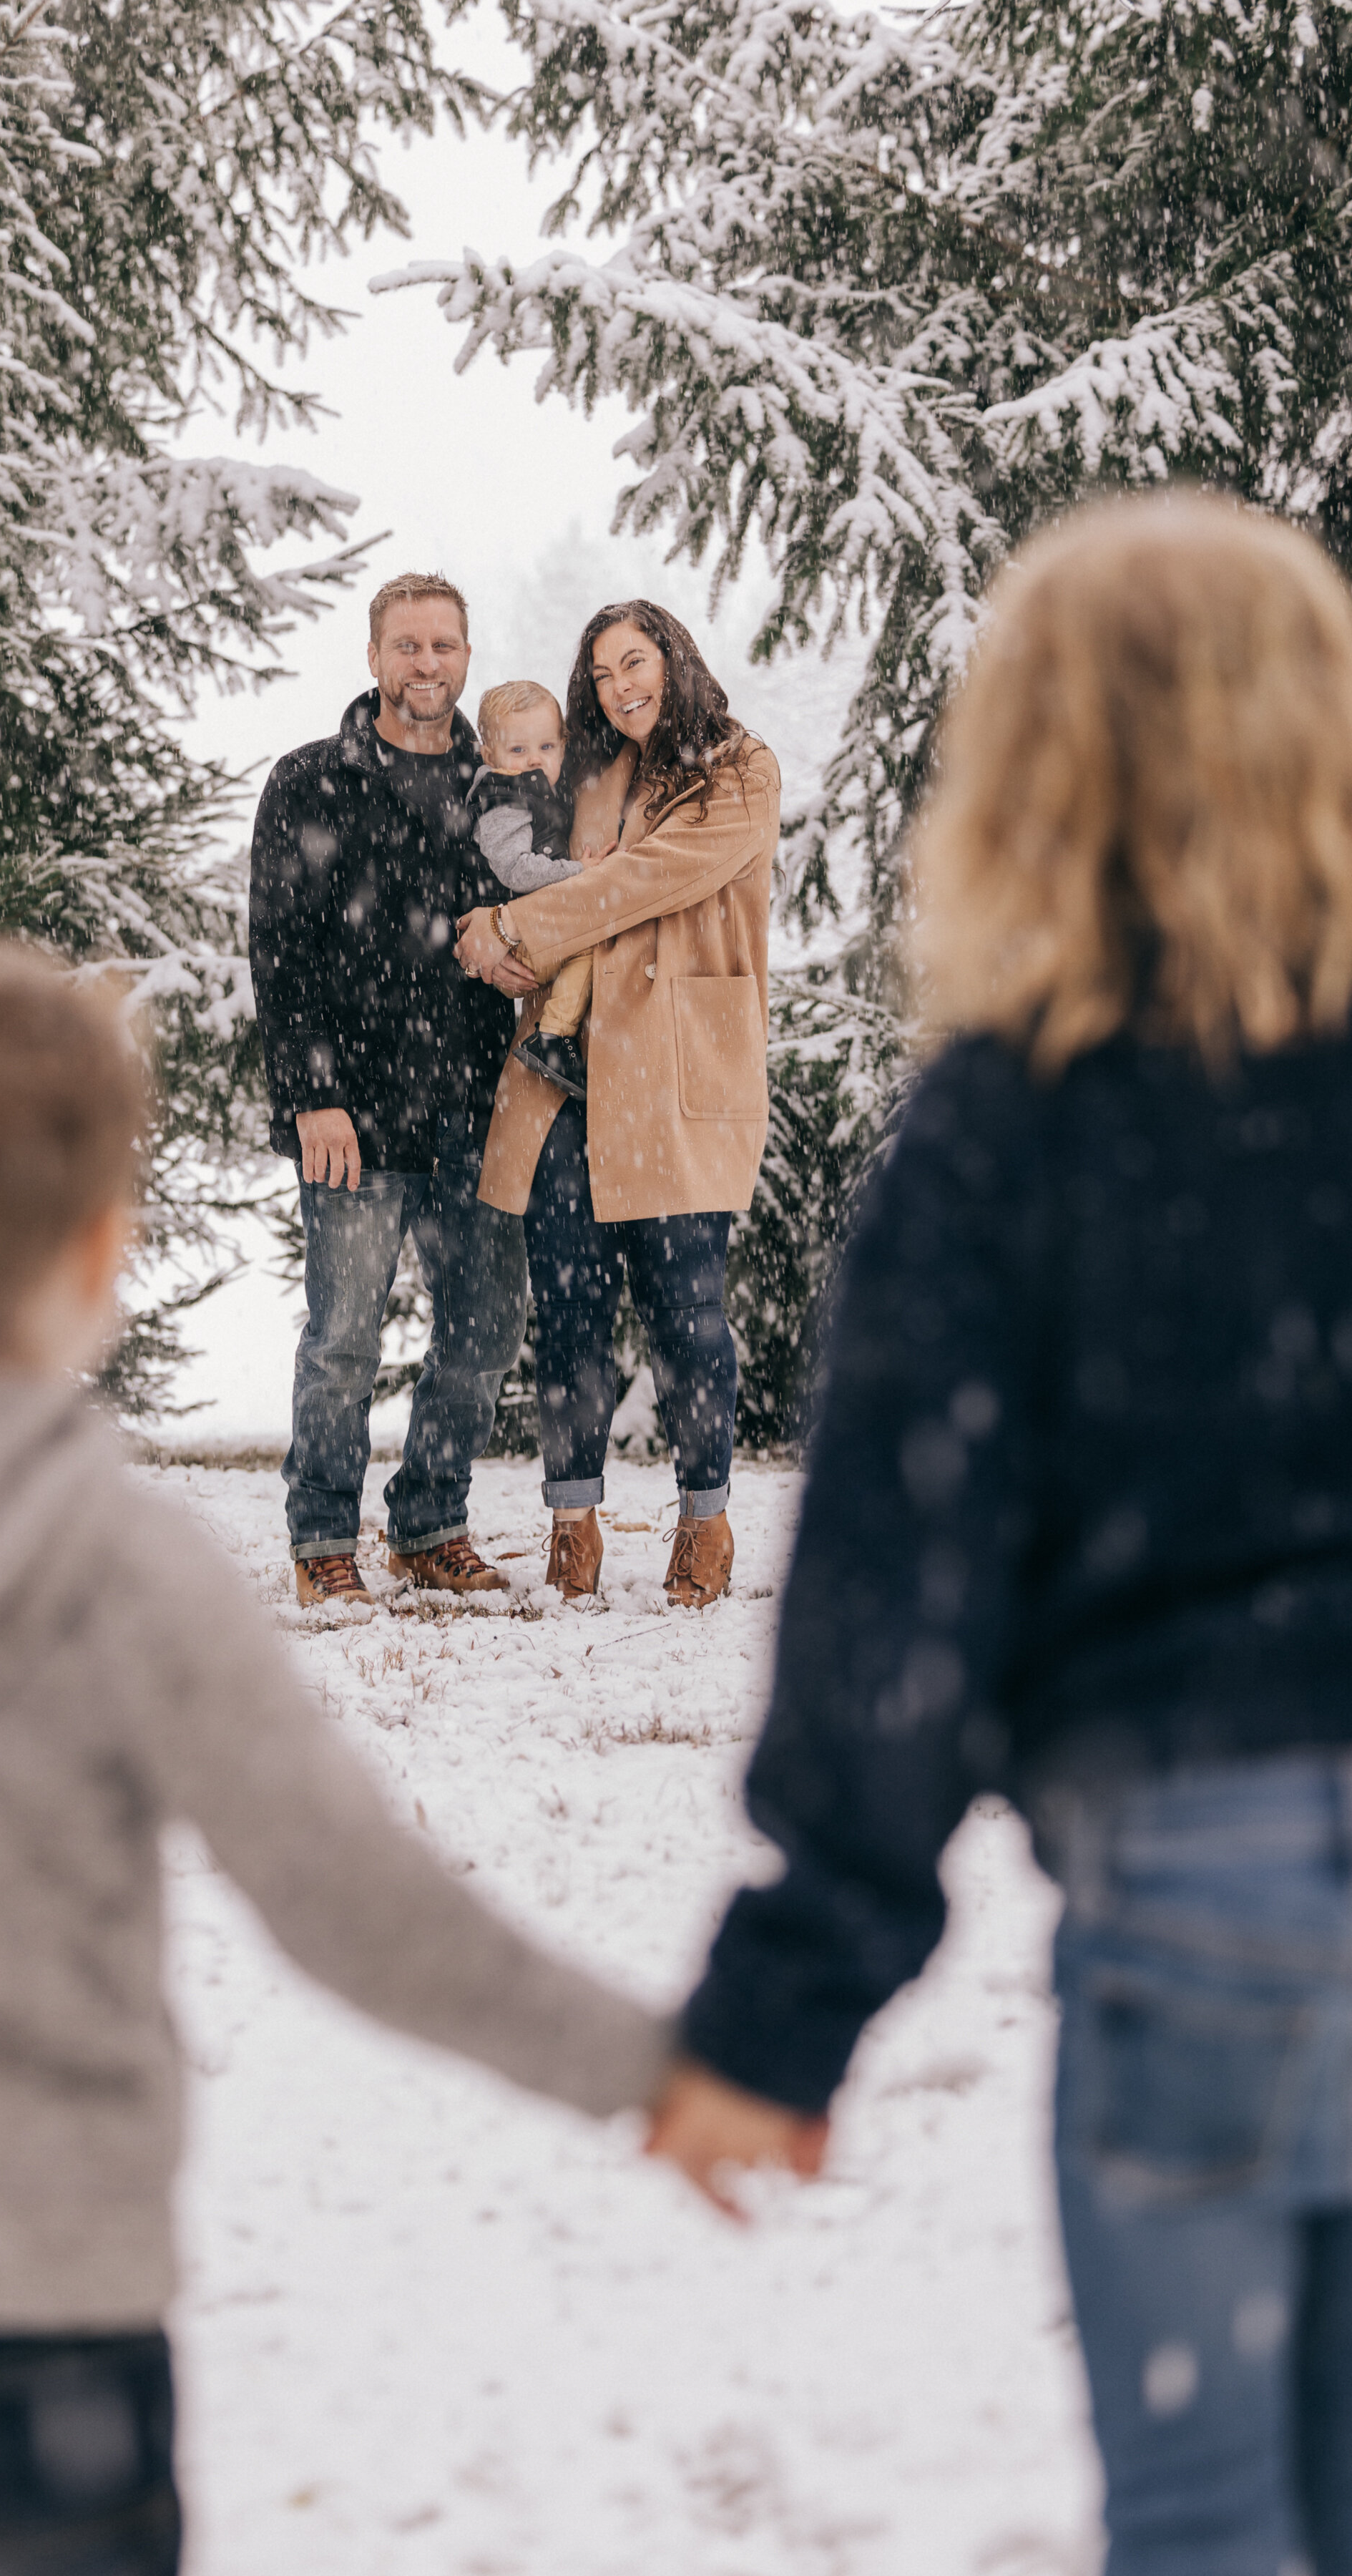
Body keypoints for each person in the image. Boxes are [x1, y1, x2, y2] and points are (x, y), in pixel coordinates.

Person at [0, 932, 690, 2571]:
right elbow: (351, 1900)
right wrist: (648, 2069)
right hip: (44, 2294)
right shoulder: (116, 1563)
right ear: (99, 1254)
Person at [663, 494, 1352, 2575]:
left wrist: (785, 2000)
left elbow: (899, 1582)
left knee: (1215, 2519)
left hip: (1200, 1908)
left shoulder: (1005, 1127)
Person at [455, 603, 780, 1609]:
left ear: (673, 658)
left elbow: (632, 887)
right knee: (571, 1316)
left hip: (677, 1080)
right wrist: (478, 925)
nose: (618, 685)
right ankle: (573, 1523)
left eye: (633, 661)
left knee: (688, 1313)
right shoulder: (588, 780)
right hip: (568, 1084)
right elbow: (517, 857)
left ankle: (705, 1523)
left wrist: (505, 922)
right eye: (599, 673)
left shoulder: (739, 772)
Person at [250, 572, 527, 1609]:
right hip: (356, 1117)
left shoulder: (496, 790)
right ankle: (324, 1533)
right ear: (374, 658)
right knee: (345, 1338)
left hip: (477, 1109)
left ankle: (429, 1522)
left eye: (444, 646)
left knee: (488, 1327)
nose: (426, 665)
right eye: (407, 646)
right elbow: (281, 953)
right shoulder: (312, 782)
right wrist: (313, 1094)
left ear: (467, 656)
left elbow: (537, 920)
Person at [469, 679, 600, 1101]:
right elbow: (516, 870)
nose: (534, 762)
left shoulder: (539, 790)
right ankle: (553, 1036)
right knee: (593, 942)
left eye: (546, 748)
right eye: (518, 750)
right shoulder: (503, 798)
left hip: (528, 931)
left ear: (563, 747)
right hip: (515, 942)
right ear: (490, 755)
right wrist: (582, 872)